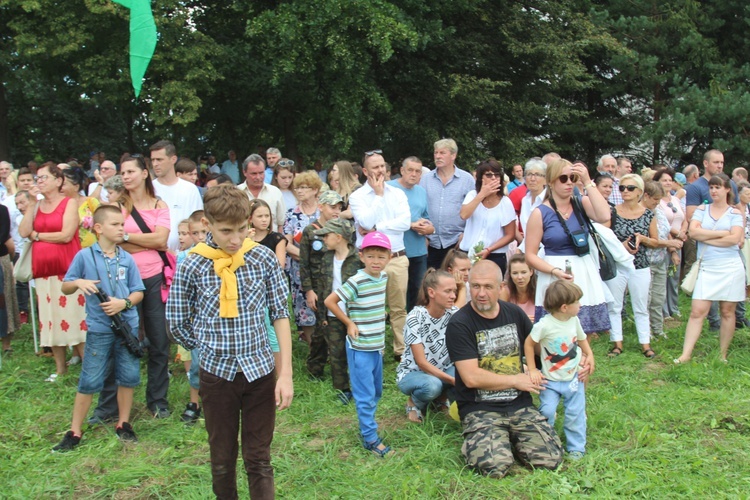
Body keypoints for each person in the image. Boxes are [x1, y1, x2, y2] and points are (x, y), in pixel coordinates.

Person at [167, 184, 293, 499]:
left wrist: (286, 373)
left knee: (259, 458)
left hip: (260, 373)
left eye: (241, 229)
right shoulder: (192, 263)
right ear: (207, 225)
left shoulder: (262, 258)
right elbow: (177, 320)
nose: (235, 239)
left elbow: (280, 314)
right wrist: (206, 344)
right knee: (222, 459)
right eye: (226, 231)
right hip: (217, 375)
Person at [445, 260, 564, 478]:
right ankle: (482, 439)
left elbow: (539, 348)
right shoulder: (459, 323)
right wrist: (515, 380)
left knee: (550, 460)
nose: (481, 293)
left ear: (501, 287)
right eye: (476, 286)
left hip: (519, 404)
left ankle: (510, 438)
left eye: (488, 287)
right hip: (480, 407)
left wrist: (574, 356)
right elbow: (470, 377)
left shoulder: (514, 314)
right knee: (494, 467)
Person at [52, 206, 145, 451]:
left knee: (128, 376)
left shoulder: (127, 258)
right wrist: (78, 282)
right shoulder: (84, 256)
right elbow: (65, 286)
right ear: (98, 228)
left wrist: (122, 303)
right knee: (90, 378)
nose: (121, 229)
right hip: (100, 329)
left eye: (122, 225)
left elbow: (138, 291)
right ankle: (74, 430)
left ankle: (123, 423)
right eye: (115, 225)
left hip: (127, 327)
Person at [92, 155, 172, 422]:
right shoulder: (115, 207)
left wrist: (126, 237)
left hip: (153, 278)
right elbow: (111, 240)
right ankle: (108, 406)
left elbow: (162, 240)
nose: (125, 176)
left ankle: (158, 400)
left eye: (130, 171)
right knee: (120, 338)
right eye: (122, 172)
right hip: (122, 279)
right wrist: (143, 242)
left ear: (144, 173)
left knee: (159, 340)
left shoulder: (159, 204)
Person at [324, 231, 393, 457]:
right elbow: (330, 301)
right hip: (359, 348)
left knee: (376, 392)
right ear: (362, 256)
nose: (376, 261)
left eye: (381, 257)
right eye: (371, 256)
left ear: (389, 258)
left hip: (376, 348)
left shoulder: (383, 278)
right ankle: (370, 438)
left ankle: (367, 422)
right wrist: (348, 322)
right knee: (364, 394)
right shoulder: (356, 280)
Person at [524, 159, 611, 334]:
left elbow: (604, 215)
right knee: (555, 331)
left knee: (583, 332)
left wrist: (587, 182)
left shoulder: (581, 203)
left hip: (582, 267)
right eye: (563, 178)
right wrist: (554, 271)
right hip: (553, 271)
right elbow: (530, 255)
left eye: (572, 177)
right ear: (550, 181)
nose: (569, 182)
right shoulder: (540, 213)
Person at [18, 162, 85, 382]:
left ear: (58, 181)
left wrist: (38, 236)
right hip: (43, 272)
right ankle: (60, 368)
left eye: (44, 177)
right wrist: (29, 207)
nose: (39, 181)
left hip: (67, 271)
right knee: (50, 320)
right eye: (38, 178)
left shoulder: (69, 203)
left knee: (75, 318)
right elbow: (24, 231)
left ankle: (87, 365)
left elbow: (66, 235)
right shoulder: (35, 206)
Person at [349, 150, 411, 360]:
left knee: (398, 307)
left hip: (397, 258)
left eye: (382, 166)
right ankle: (375, 348)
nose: (380, 170)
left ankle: (400, 350)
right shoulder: (357, 196)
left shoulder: (398, 193)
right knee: (372, 307)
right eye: (375, 167)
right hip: (371, 260)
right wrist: (377, 196)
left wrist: (378, 227)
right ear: (365, 171)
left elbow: (405, 223)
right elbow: (365, 222)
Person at [675, 174, 744, 364]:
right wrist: (722, 233)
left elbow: (735, 239)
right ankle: (685, 354)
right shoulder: (702, 209)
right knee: (697, 310)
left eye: (718, 187)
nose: (714, 191)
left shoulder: (734, 213)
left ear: (727, 189)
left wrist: (709, 236)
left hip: (730, 266)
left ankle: (722, 354)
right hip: (707, 264)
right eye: (712, 187)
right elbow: (693, 232)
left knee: (727, 311)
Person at [524, 280, 594, 459]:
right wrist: (532, 369)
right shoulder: (544, 325)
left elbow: (582, 339)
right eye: (577, 302)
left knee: (575, 413)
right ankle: (548, 441)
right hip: (550, 381)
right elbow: (529, 344)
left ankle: (576, 447)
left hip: (573, 378)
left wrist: (589, 355)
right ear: (564, 307)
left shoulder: (574, 320)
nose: (579, 305)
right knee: (546, 411)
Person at [607, 174, 659, 357]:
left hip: (640, 264)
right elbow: (604, 236)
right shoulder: (612, 212)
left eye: (629, 188)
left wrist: (642, 239)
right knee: (614, 305)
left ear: (640, 192)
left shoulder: (648, 214)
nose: (625, 191)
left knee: (640, 305)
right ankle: (617, 343)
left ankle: (645, 343)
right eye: (621, 188)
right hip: (618, 264)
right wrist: (619, 246)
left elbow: (655, 241)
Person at [396, 269, 457, 423]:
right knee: (432, 385)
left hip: (443, 370)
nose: (453, 296)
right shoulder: (415, 318)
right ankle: (414, 402)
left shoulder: (454, 314)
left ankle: (440, 399)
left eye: (455, 291)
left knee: (465, 371)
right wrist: (451, 380)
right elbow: (421, 363)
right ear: (431, 292)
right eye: (448, 291)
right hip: (414, 374)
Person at [314, 218, 360, 404]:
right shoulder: (326, 258)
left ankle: (361, 386)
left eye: (327, 235)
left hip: (355, 314)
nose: (324, 239)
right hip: (332, 314)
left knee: (358, 353)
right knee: (336, 354)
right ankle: (343, 389)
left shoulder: (358, 259)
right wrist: (322, 314)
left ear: (339, 237)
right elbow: (322, 286)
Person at [299, 191, 343, 382]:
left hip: (337, 286)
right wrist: (309, 290)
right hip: (318, 288)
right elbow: (304, 263)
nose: (337, 211)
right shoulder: (310, 231)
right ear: (321, 207)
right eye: (333, 207)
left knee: (337, 326)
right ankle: (315, 368)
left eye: (339, 207)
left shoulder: (342, 229)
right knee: (320, 328)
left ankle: (339, 366)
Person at [420, 138, 475, 270]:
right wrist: (423, 236)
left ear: (453, 155)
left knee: (456, 282)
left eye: (442, 153)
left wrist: (466, 234)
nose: (438, 156)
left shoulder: (467, 180)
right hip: (430, 242)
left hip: (457, 242)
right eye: (436, 152)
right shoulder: (425, 179)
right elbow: (420, 209)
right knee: (431, 282)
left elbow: (474, 211)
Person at [387, 156, 433, 311]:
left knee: (417, 290)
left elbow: (425, 217)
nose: (414, 174)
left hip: (418, 250)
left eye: (417, 171)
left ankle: (413, 324)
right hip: (395, 251)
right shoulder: (388, 188)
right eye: (410, 170)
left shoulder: (421, 191)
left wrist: (428, 228)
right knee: (396, 293)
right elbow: (383, 218)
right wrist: (410, 225)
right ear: (402, 171)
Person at [284, 171, 323, 344]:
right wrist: (305, 256)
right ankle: (311, 345)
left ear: (315, 190)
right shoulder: (291, 213)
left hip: (323, 267)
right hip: (299, 268)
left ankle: (327, 345)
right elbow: (286, 242)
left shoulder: (323, 211)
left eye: (304, 187)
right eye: (297, 188)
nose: (299, 191)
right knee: (303, 305)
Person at [459, 159, 516, 275]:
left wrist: (490, 249)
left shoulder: (505, 202)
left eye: (496, 175)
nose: (494, 178)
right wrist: (482, 194)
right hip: (468, 253)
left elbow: (510, 235)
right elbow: (464, 215)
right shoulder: (472, 195)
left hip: (494, 255)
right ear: (481, 177)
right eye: (489, 175)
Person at [149, 141, 204, 252]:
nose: (155, 164)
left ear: (173, 159)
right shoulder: (149, 189)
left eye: (159, 159)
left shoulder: (190, 189)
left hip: (186, 255)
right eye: (153, 160)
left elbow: (199, 223)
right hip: (155, 253)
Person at [652, 168, 687, 321]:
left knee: (673, 277)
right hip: (665, 244)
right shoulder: (656, 202)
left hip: (679, 242)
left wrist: (683, 232)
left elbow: (684, 218)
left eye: (669, 180)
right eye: (664, 180)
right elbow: (663, 224)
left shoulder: (675, 200)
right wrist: (675, 239)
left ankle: (674, 307)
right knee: (664, 278)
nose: (667, 183)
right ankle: (664, 310)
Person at [239, 154, 286, 232]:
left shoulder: (275, 192)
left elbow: (281, 224)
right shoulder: (236, 193)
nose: (258, 177)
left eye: (261, 173)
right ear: (244, 172)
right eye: (254, 174)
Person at [0, 202, 18, 353]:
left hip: (0, 258)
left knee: (3, 300)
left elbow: (4, 236)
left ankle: (6, 344)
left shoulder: (2, 210)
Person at [499, 253, 537, 322]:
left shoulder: (539, 291)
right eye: (515, 273)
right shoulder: (505, 292)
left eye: (523, 272)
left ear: (531, 272)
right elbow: (501, 318)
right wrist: (522, 319)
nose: (519, 277)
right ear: (510, 274)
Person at [517, 158, 547, 242]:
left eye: (537, 175)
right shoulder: (525, 200)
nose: (532, 179)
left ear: (545, 180)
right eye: (529, 174)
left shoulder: (549, 200)